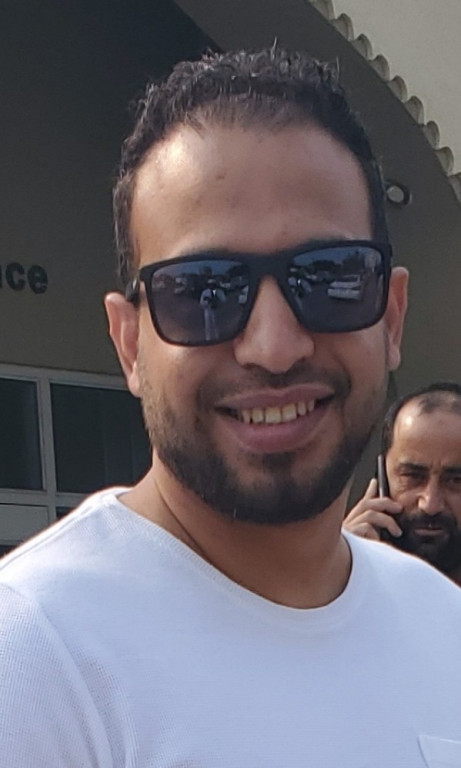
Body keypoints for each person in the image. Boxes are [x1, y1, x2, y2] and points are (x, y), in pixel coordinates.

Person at [1, 47, 461, 767]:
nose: (273, 347)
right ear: (130, 343)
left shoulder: (442, 626)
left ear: (391, 316)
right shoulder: (35, 659)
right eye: (203, 291)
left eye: (328, 278)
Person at [344, 382, 461, 585]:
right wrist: (337, 571)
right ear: (382, 478)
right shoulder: (340, 578)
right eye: (412, 477)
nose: (430, 505)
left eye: (456, 481)